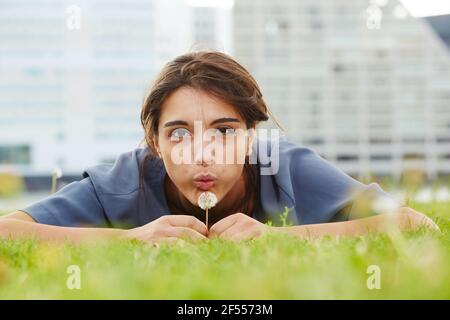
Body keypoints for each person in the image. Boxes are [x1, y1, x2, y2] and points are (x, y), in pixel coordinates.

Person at [0, 51, 438, 244]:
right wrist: (130, 240)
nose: (201, 153)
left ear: (251, 136)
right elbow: (6, 232)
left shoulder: (287, 167)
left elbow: (415, 224)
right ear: (154, 142)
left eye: (224, 131)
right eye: (178, 133)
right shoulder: (122, 180)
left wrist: (282, 241)